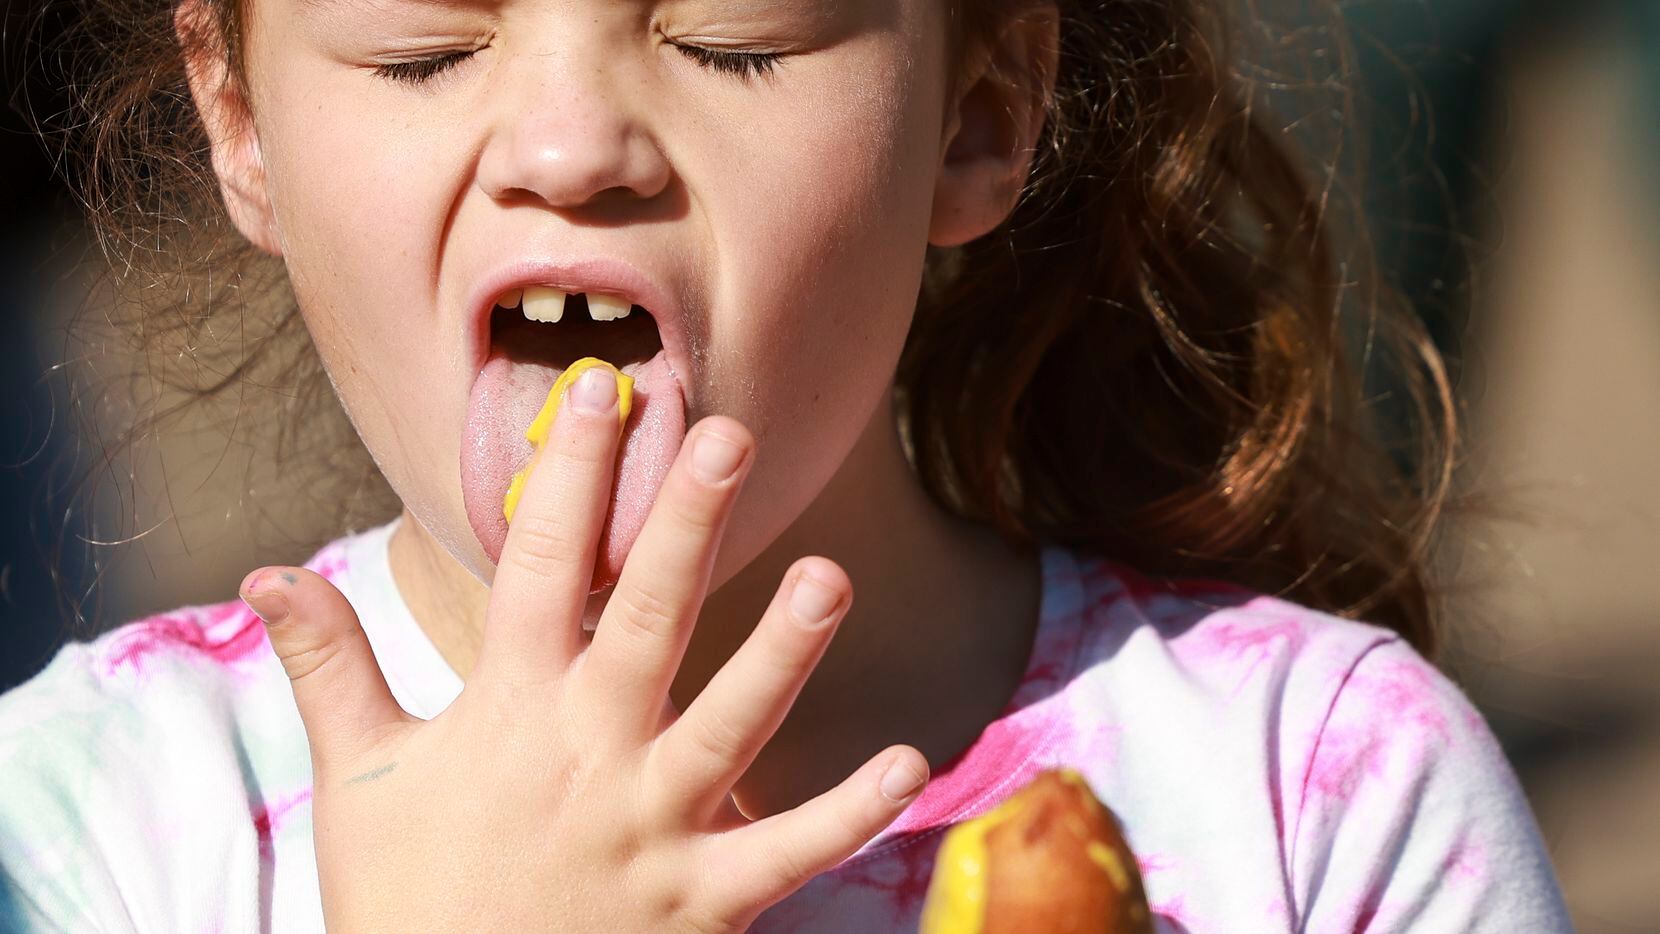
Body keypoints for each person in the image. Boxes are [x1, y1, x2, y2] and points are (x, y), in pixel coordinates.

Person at [0, 0, 1572, 929]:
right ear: (239, 113)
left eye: (727, 33)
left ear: (979, 105)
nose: (567, 143)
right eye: (422, 44)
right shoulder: (85, 836)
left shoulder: (1317, 805)